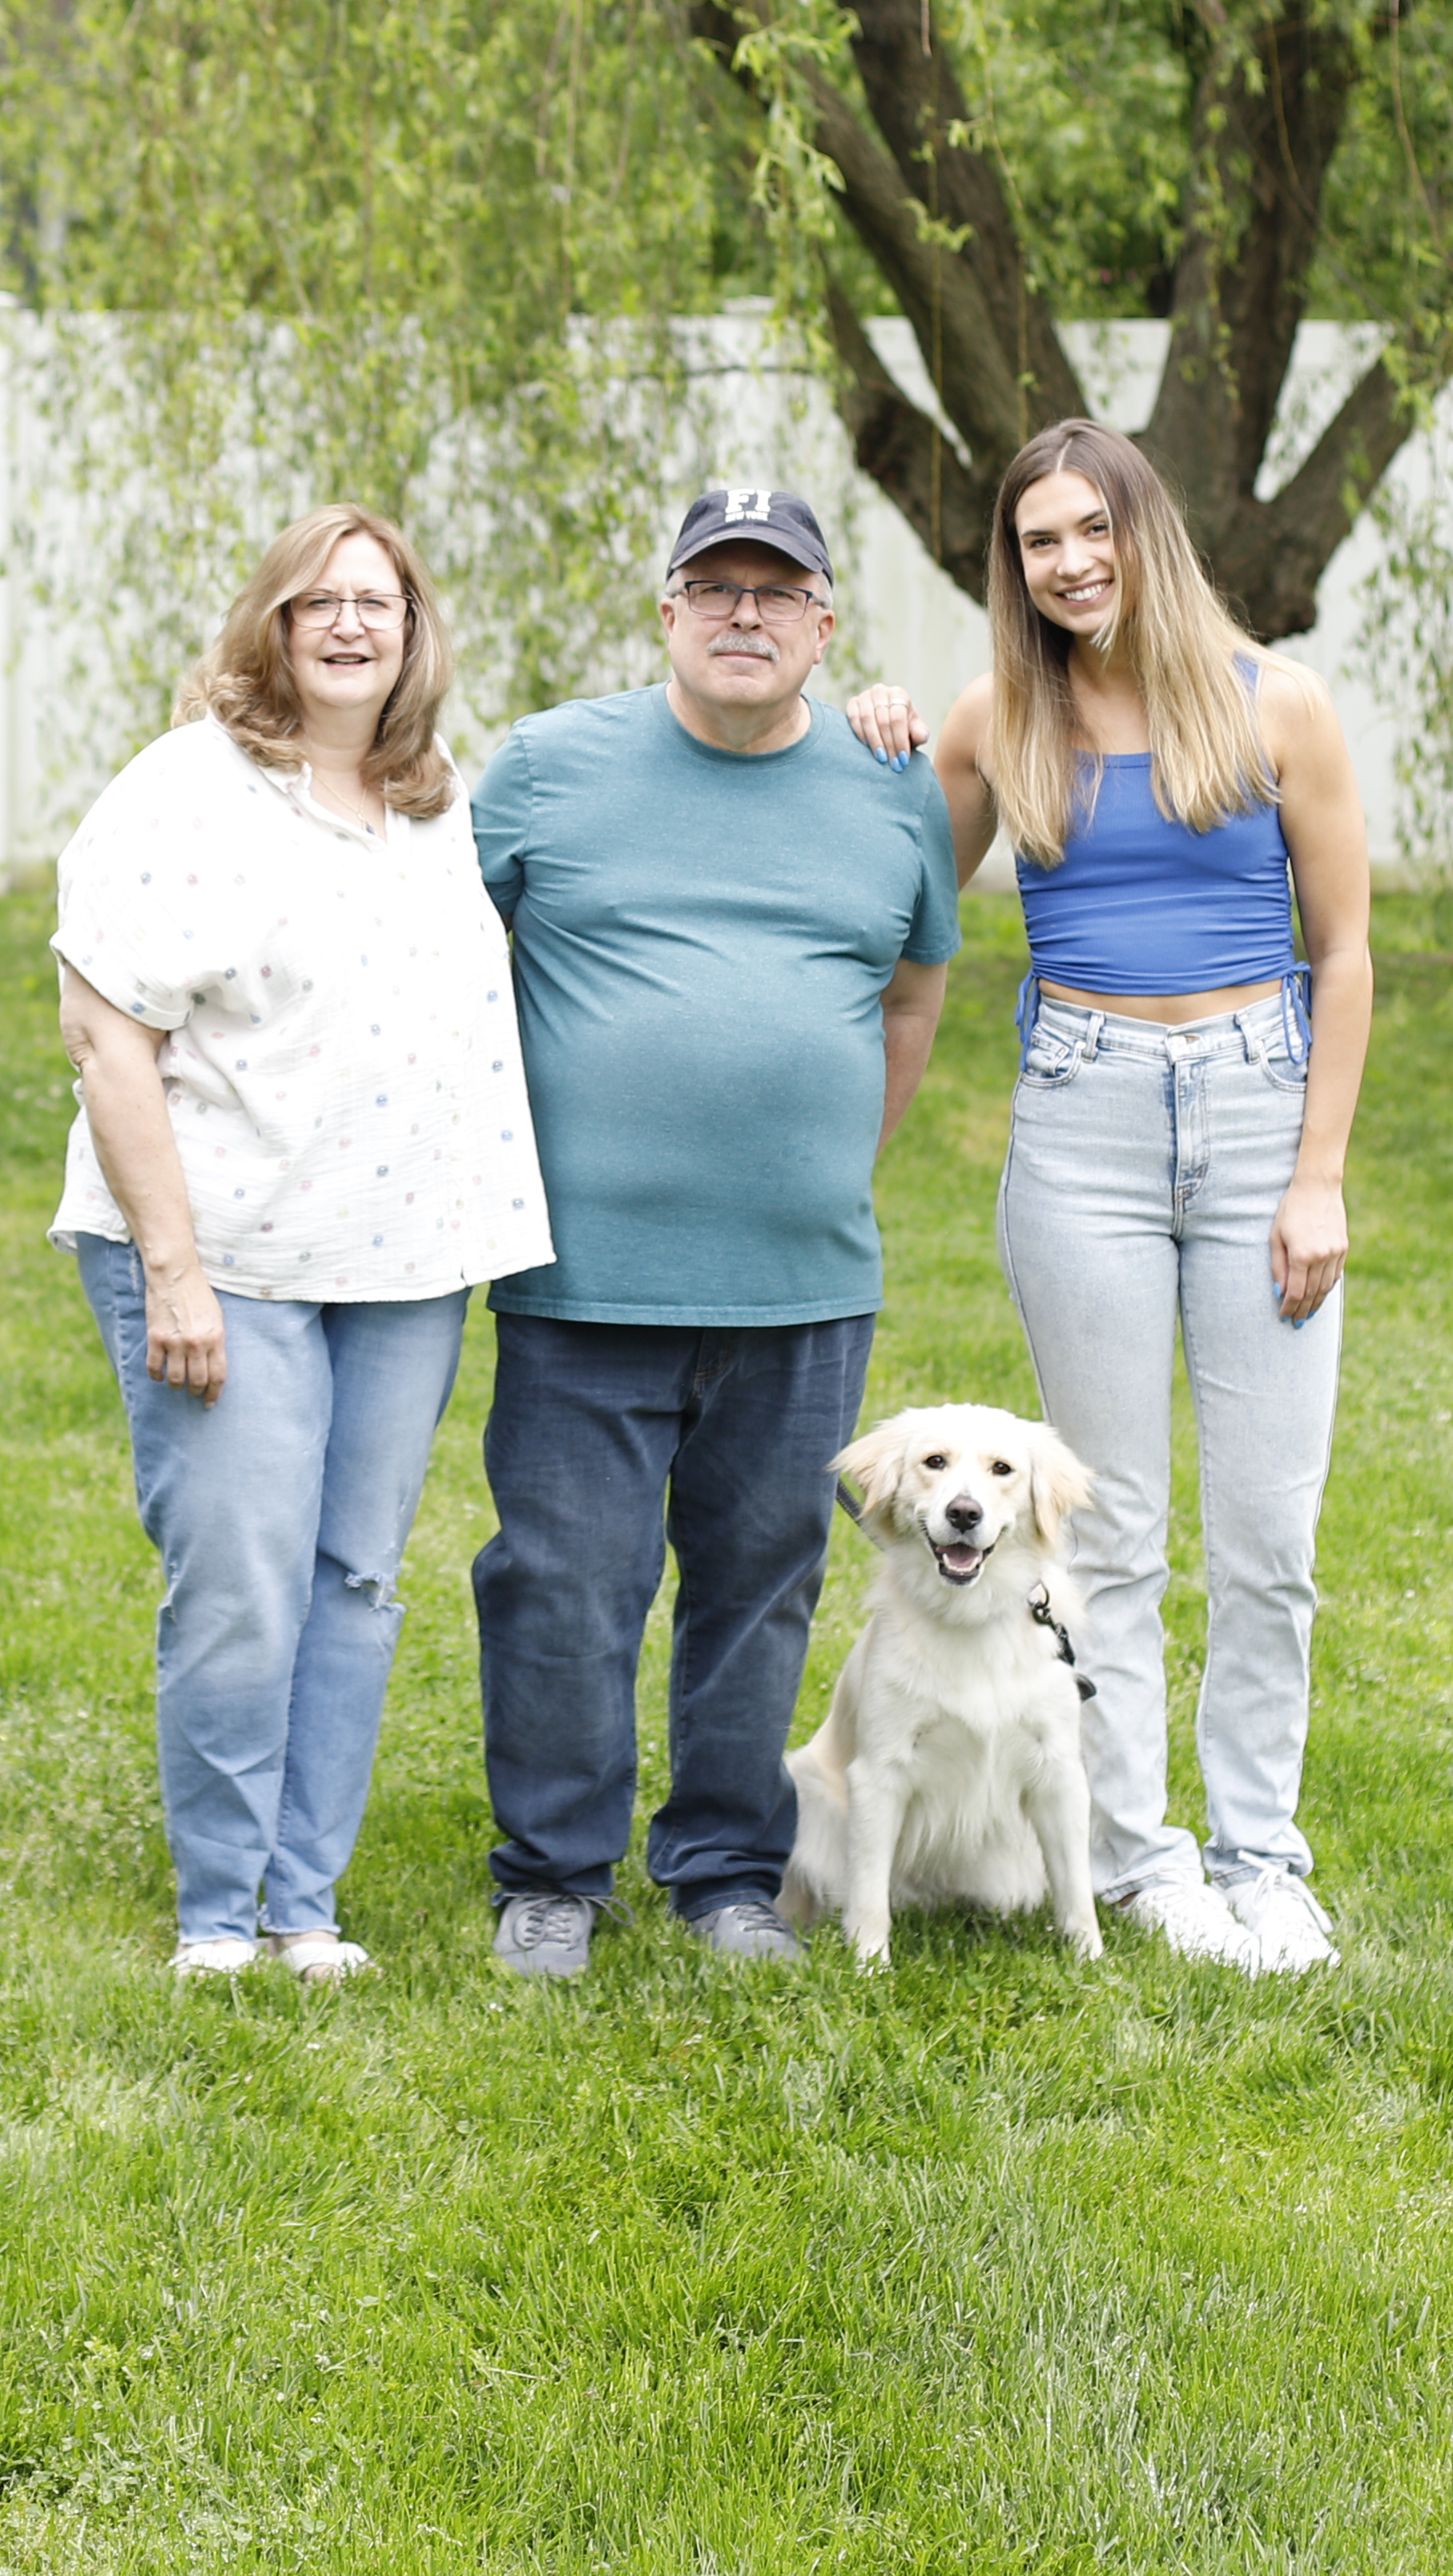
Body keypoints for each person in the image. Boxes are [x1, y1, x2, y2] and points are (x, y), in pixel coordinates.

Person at [52, 505, 555, 1983]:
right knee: (242, 1578)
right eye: (317, 603)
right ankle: (219, 1914)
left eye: (378, 604)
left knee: (353, 1576)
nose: (349, 626)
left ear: (414, 633)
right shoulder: (187, 791)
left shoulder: (431, 795)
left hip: (400, 1259)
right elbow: (104, 1034)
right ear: (269, 625)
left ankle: (301, 1902)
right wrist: (175, 1270)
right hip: (228, 1256)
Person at [470, 485, 964, 1978]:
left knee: (760, 1585)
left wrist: (818, 1163)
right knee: (567, 1581)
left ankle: (725, 1874)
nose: (743, 614)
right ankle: (552, 1873)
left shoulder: (893, 789)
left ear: (823, 624)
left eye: (776, 592)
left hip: (800, 1285)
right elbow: (428, 953)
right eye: (714, 588)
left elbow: (916, 996)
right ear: (667, 611)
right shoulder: (551, 768)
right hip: (583, 1280)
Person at [923, 420, 1378, 1978]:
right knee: (1101, 1535)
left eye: (1090, 530)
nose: (1068, 562)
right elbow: (901, 896)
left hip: (1259, 1111)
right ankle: (1141, 1859)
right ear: (1016, 564)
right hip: (1083, 1127)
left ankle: (1263, 1859)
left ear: (1143, 532)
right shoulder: (1003, 720)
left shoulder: (1276, 707)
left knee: (1268, 1534)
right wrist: (866, 734)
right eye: (1038, 540)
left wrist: (1319, 1176)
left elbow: (1349, 953)